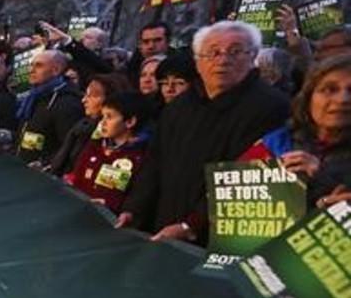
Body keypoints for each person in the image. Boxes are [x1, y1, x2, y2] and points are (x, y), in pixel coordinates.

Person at [119, 21, 290, 243]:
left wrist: (191, 224)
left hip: (219, 236)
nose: (223, 59)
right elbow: (154, 162)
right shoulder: (178, 106)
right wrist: (134, 209)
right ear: (197, 61)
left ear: (253, 56)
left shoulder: (272, 106)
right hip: (163, 228)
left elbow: (249, 179)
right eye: (213, 52)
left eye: (235, 51)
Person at [239, 54, 351, 207]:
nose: (343, 99)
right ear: (308, 98)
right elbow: (233, 200)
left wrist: (322, 178)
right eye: (329, 89)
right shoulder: (275, 142)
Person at [64, 91, 151, 214]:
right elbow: (76, 176)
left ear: (130, 122)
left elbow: (137, 197)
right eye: (102, 116)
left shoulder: (140, 155)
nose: (103, 122)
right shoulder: (94, 145)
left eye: (109, 117)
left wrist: (111, 206)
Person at [48, 73, 131, 176]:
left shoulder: (116, 136)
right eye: (86, 94)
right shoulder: (81, 126)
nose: (84, 100)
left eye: (93, 96)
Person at [16, 49, 84, 166]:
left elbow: (69, 146)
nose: (31, 70)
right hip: (22, 164)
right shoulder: (33, 96)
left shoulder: (67, 102)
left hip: (43, 175)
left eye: (39, 66)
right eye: (31, 65)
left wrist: (45, 164)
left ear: (56, 70)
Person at [126, 21, 173, 87]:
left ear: (168, 42)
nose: (151, 46)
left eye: (157, 40)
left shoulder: (181, 66)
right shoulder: (128, 71)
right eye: (146, 41)